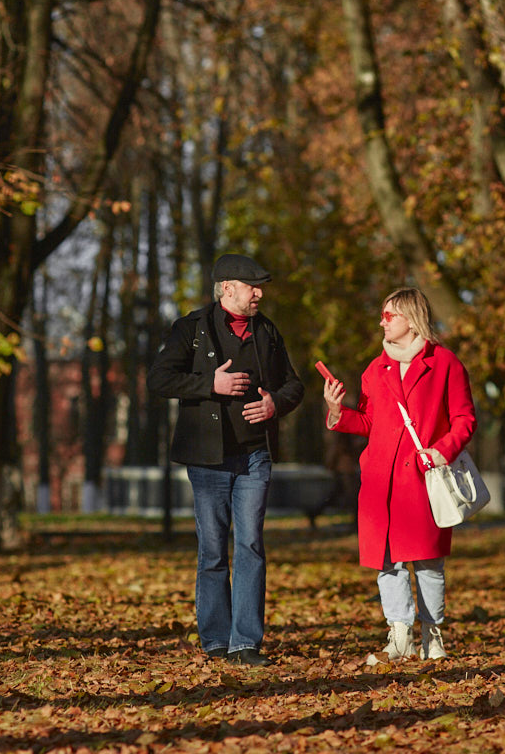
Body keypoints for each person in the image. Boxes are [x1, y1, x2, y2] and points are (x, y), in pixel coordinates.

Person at [147, 253, 305, 665]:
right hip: (208, 460)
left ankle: (245, 642)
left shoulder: (267, 330)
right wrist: (209, 383)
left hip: (255, 456)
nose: (260, 293)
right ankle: (216, 640)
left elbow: (294, 385)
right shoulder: (191, 329)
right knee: (213, 548)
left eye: (261, 286)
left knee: (250, 543)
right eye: (252, 286)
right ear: (227, 288)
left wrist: (275, 405)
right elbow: (159, 379)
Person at [322, 287, 476, 663]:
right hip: (380, 481)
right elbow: (371, 422)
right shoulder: (376, 369)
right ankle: (400, 635)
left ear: (410, 317)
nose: (382, 321)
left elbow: (464, 419)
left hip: (423, 478)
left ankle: (432, 635)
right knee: (386, 563)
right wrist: (336, 411)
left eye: (388, 315)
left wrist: (441, 451)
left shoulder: (445, 363)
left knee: (427, 562)